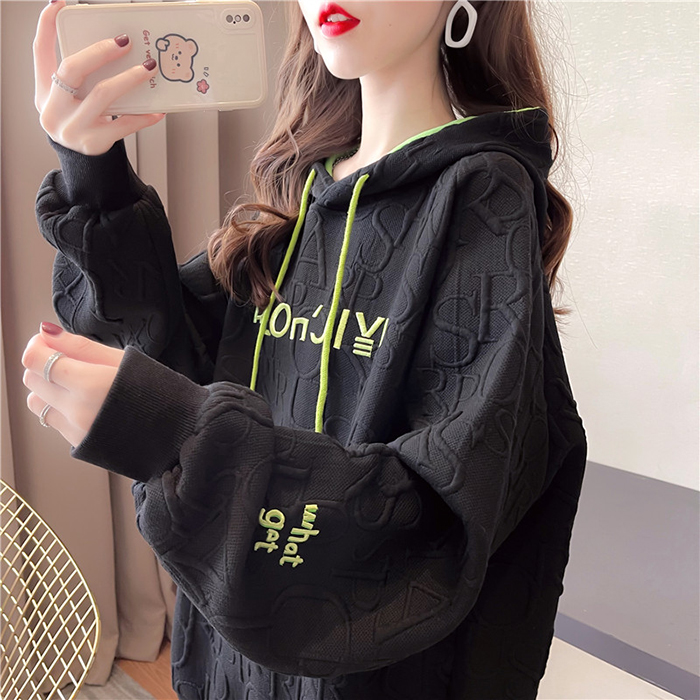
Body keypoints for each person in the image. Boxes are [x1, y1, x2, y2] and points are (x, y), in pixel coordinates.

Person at [23, 0, 588, 697]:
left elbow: (440, 518)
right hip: (231, 667)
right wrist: (93, 173)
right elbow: (171, 350)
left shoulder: (482, 196)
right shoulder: (304, 196)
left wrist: (173, 428)